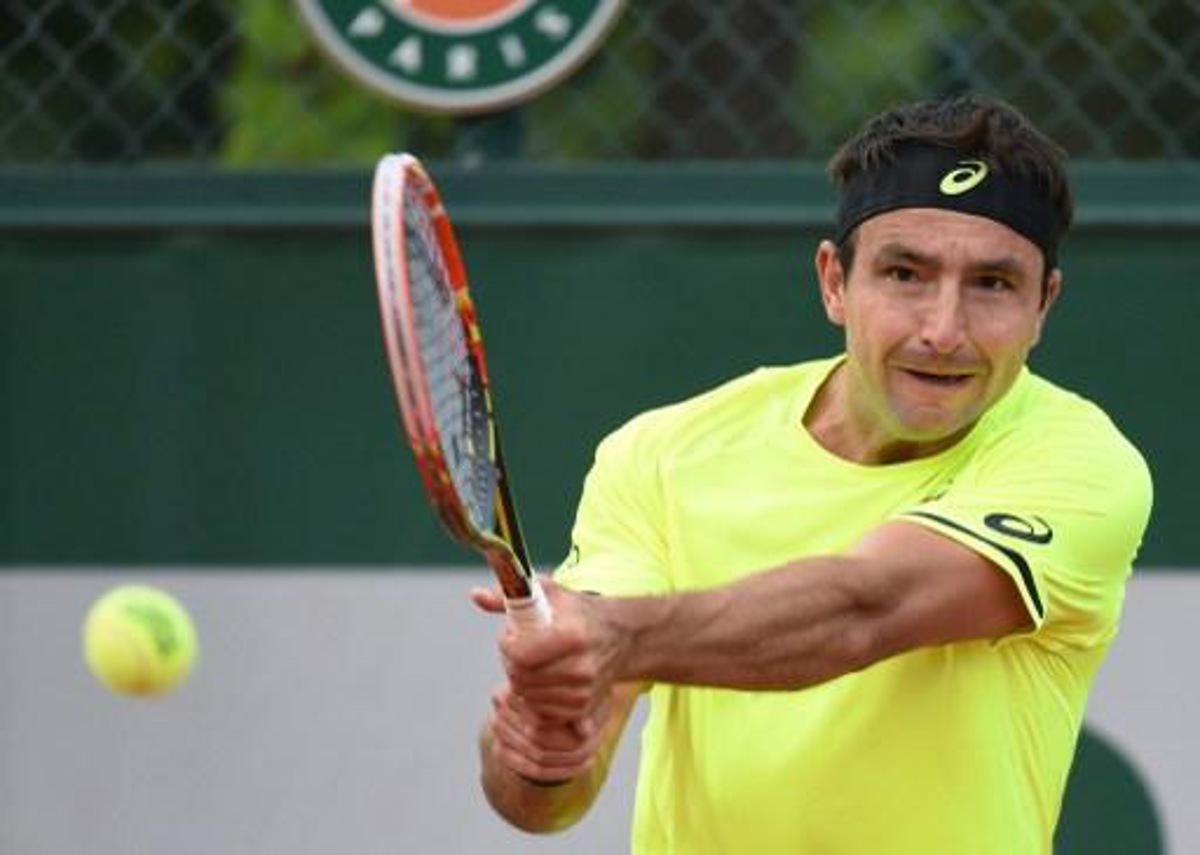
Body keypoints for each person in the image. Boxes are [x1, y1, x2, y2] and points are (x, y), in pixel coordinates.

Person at [471, 94, 1153, 854]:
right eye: (906, 273)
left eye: (992, 284)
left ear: (1043, 306)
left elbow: (867, 609)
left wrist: (607, 637)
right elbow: (547, 798)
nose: (943, 330)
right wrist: (544, 747)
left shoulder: (1080, 462)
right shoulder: (662, 452)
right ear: (835, 281)